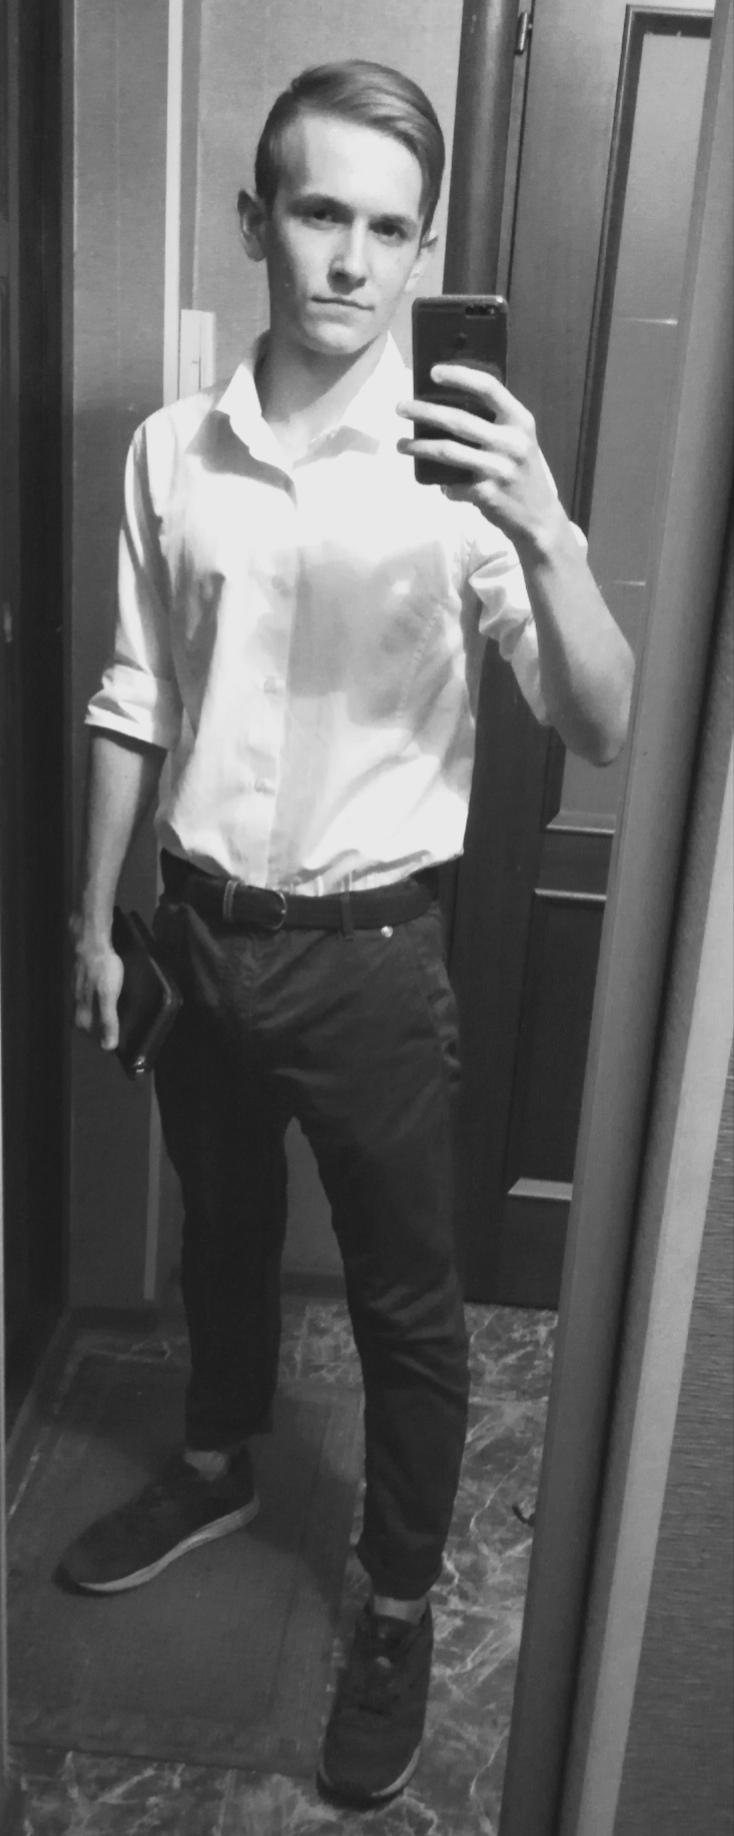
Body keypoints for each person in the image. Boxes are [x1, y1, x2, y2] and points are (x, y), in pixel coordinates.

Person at [62, 59, 633, 1810]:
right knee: (223, 1234)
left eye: (391, 228)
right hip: (199, 932)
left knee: (406, 1307)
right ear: (260, 220)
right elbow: (136, 696)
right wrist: (95, 924)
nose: (353, 261)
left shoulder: (462, 471)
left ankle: (392, 1603)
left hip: (377, 964)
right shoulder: (173, 452)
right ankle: (218, 1460)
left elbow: (603, 720)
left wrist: (545, 531)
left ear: (422, 249)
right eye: (321, 213)